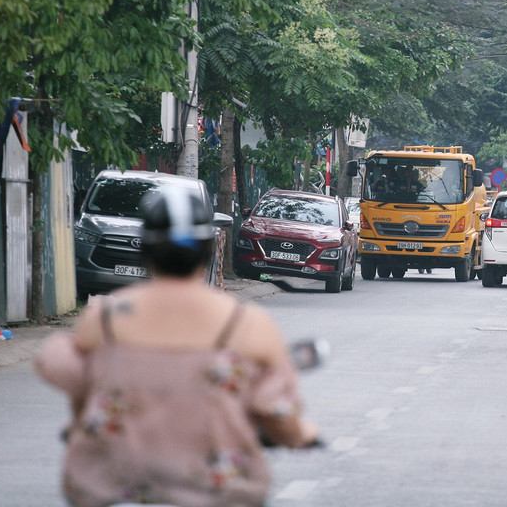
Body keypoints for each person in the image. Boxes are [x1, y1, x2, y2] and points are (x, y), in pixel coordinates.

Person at [36, 185, 319, 507]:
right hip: (217, 494)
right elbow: (277, 412)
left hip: (113, 491)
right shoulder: (247, 325)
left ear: (145, 250)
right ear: (209, 250)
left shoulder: (104, 319)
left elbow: (72, 382)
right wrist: (301, 433)